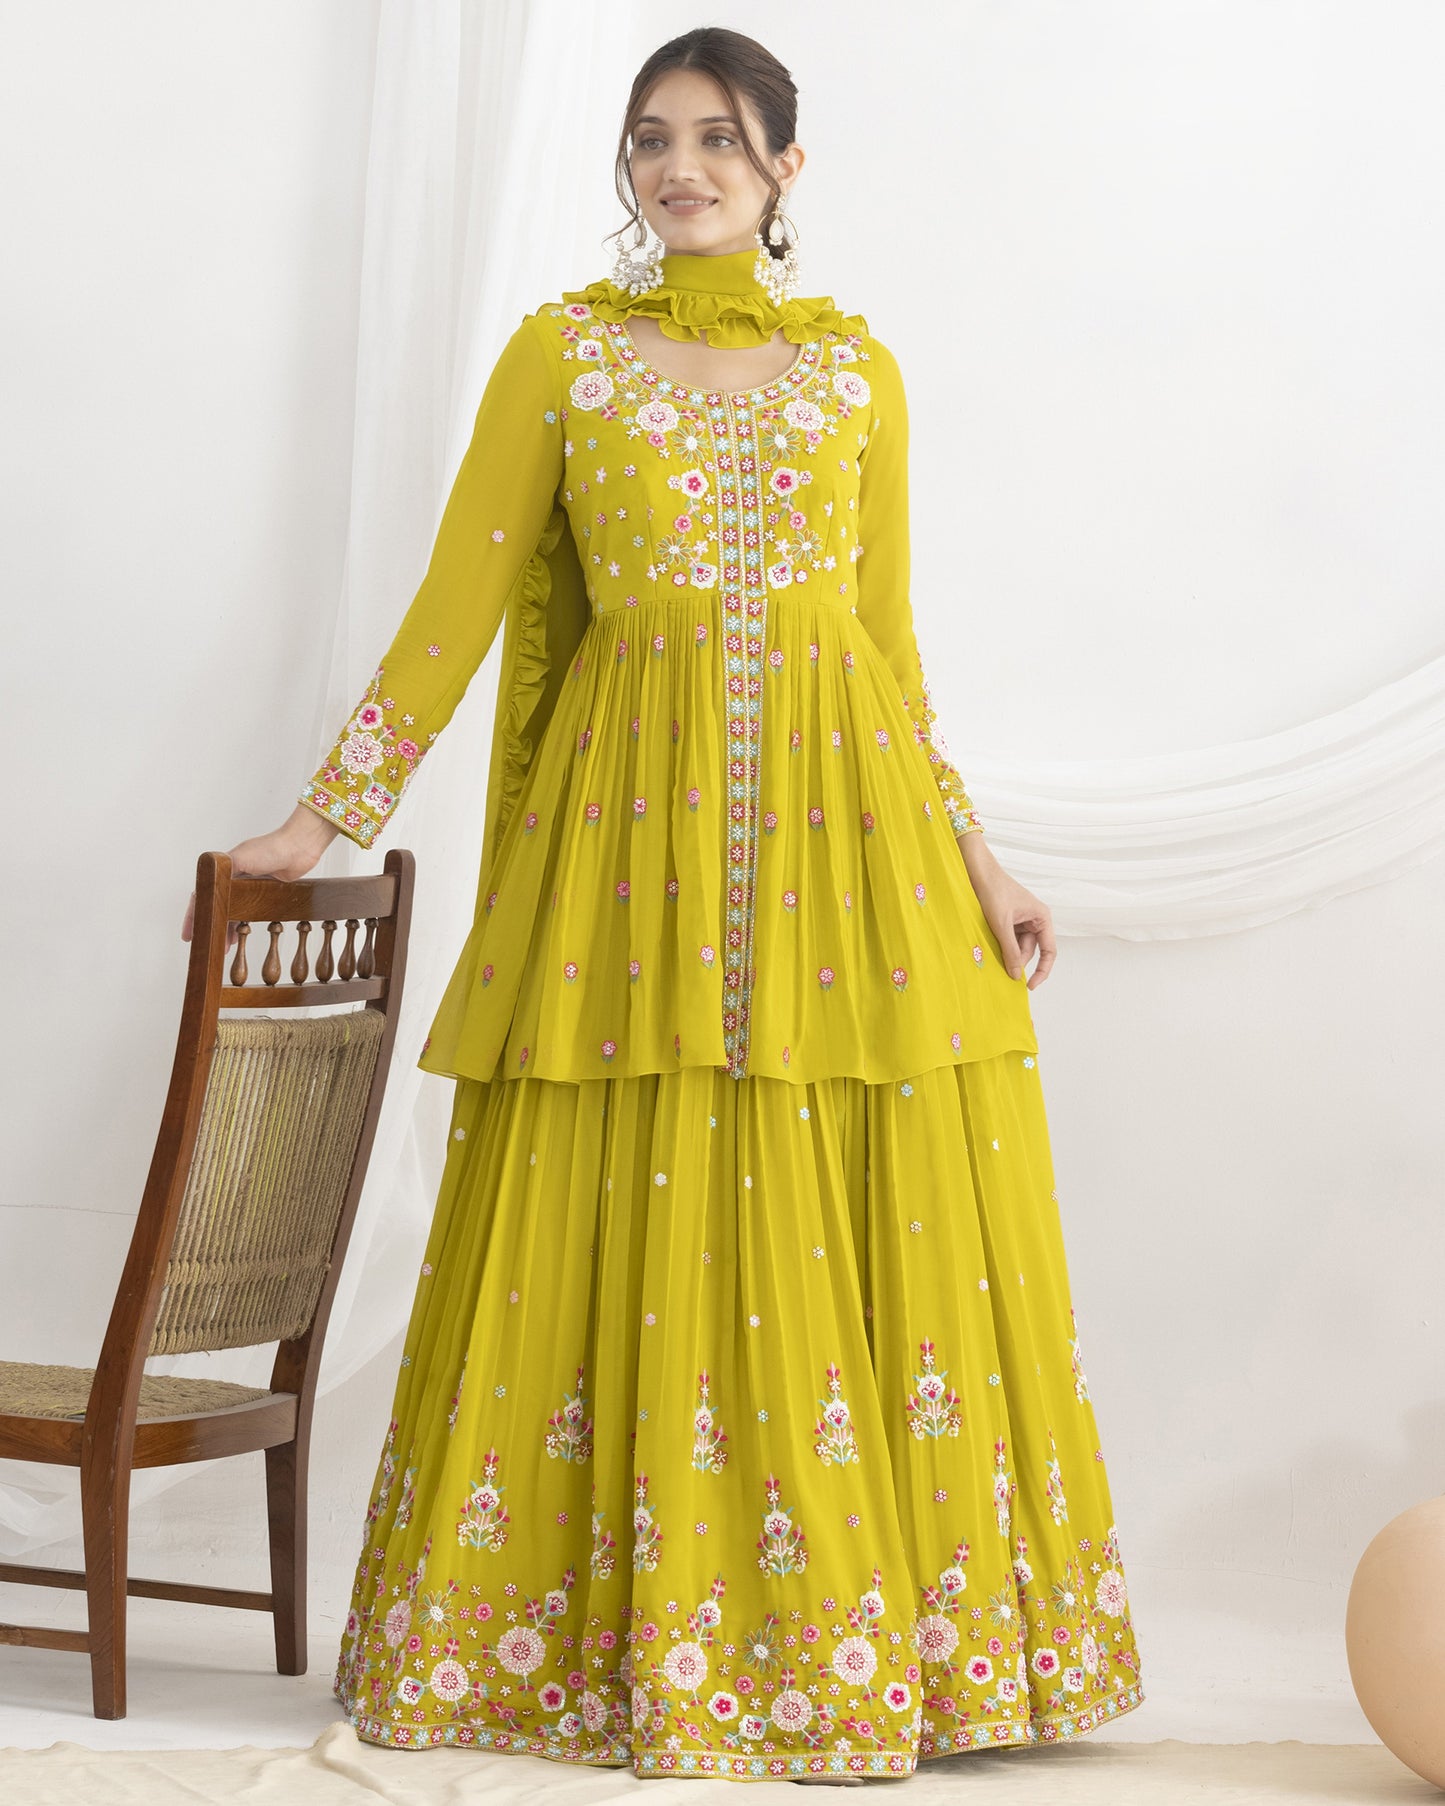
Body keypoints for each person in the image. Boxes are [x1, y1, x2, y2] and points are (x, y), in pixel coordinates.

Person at [190, 25, 1144, 1783]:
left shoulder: (858, 377)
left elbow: (887, 652)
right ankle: (617, 1632)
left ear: (787, 168)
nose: (678, 165)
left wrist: (980, 861)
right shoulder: (562, 361)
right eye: (649, 139)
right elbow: (453, 612)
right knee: (636, 1183)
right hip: (627, 854)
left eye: (717, 137)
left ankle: (868, 1638)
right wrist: (318, 823)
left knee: (842, 1175)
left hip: (847, 850)